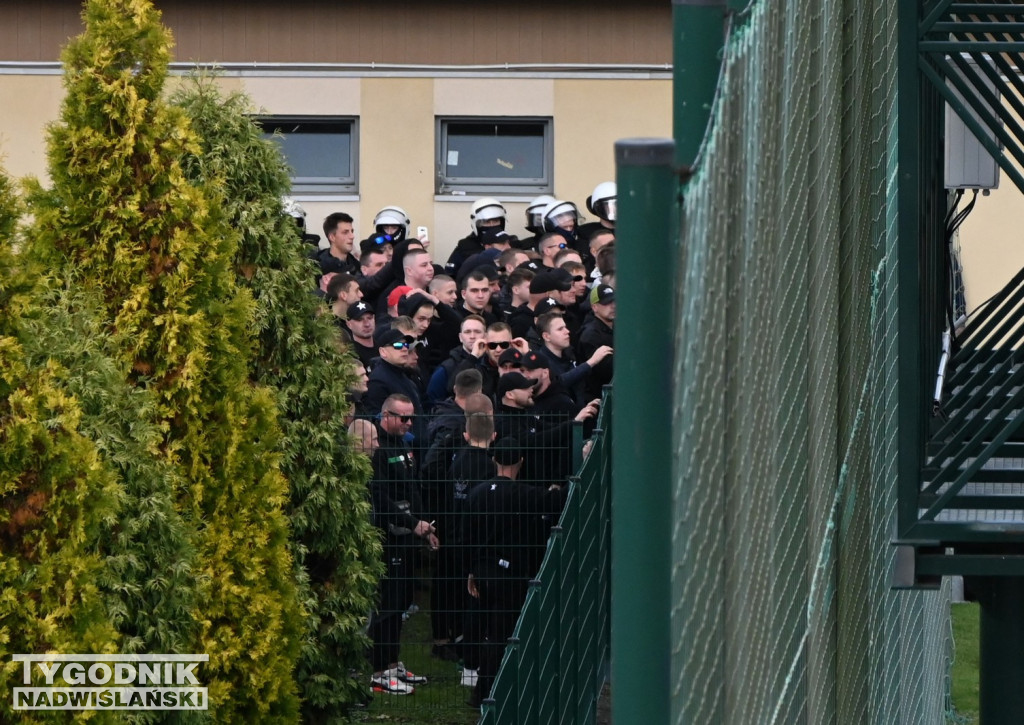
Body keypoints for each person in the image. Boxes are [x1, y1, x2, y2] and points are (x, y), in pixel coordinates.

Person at [463, 438, 567, 706]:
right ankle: (492, 693)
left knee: (489, 631)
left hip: (483, 572)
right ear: (521, 462)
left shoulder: (477, 494)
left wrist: (472, 570)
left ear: (494, 460)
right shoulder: (523, 493)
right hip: (508, 576)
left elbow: (467, 536)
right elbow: (558, 500)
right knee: (502, 635)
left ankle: (482, 688)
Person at [360, 400, 438, 695]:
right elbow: (381, 497)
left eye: (411, 418)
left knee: (402, 601)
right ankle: (379, 670)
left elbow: (412, 489)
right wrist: (409, 521)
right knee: (388, 605)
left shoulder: (403, 446)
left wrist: (422, 525)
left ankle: (392, 664)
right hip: (390, 535)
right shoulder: (377, 452)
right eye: (403, 418)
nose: (408, 423)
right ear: (386, 415)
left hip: (408, 534)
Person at [536, 312, 611, 406]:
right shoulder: (541, 362)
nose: (567, 331)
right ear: (546, 336)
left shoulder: (569, 354)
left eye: (565, 327)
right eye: (560, 329)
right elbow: (559, 383)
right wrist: (592, 362)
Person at [426, 314, 487, 409]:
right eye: (467, 332)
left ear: (485, 336)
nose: (472, 336)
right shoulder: (447, 367)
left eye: (477, 332)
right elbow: (433, 399)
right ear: (460, 337)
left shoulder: (491, 361)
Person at [446, 198, 507, 276]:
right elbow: (450, 274)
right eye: (486, 222)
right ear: (476, 224)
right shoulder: (465, 246)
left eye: (495, 221)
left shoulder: (509, 243)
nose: (492, 225)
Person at [578, 284, 615, 401]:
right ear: (595, 307)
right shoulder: (590, 335)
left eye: (614, 301)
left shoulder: (619, 327)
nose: (613, 306)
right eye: (607, 303)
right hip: (598, 399)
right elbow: (607, 371)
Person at [314, 212, 359, 282]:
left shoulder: (356, 265)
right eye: (345, 232)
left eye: (352, 231)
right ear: (332, 237)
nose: (352, 236)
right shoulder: (317, 267)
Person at [343, 301, 378, 369]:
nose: (367, 324)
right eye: (360, 320)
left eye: (369, 318)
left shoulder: (382, 347)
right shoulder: (350, 354)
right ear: (349, 324)